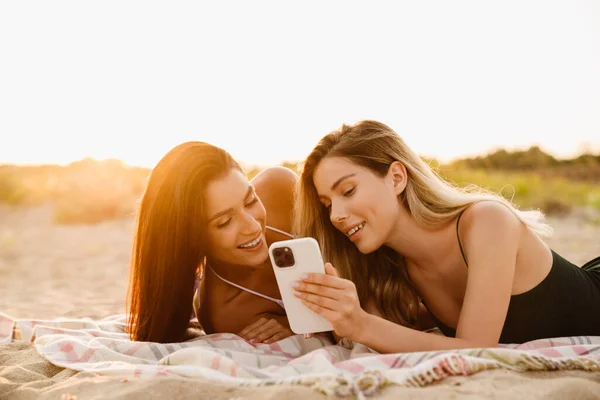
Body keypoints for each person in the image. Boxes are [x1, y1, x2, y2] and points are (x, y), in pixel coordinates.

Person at [292, 120, 600, 353]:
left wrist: (360, 324)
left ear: (397, 178)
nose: (336, 215)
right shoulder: (392, 269)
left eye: (348, 191)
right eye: (328, 204)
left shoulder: (486, 221)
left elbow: (475, 349)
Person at [127, 141, 298, 344]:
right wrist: (295, 326)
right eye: (225, 222)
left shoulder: (279, 188)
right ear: (193, 239)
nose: (252, 226)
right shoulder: (226, 314)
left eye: (251, 200)